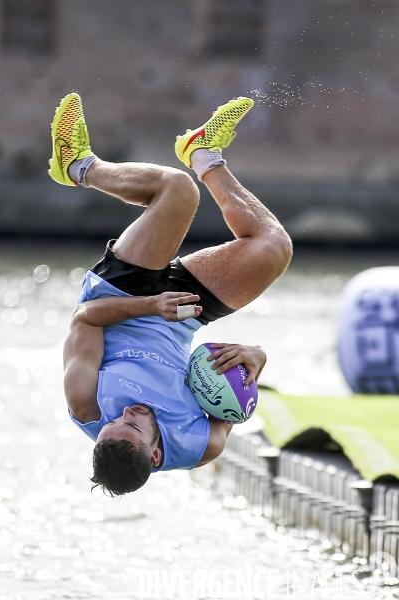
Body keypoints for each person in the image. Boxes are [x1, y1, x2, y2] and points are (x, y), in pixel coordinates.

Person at [49, 93, 292, 496]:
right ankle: (203, 154)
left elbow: (85, 318)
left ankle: (78, 166)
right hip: (182, 317)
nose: (126, 413)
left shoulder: (86, 404)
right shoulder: (201, 445)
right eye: (134, 425)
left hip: (121, 294)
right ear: (156, 454)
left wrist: (148, 305)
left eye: (116, 421)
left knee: (176, 189)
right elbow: (236, 397)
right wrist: (256, 358)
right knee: (273, 248)